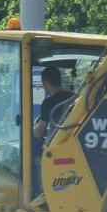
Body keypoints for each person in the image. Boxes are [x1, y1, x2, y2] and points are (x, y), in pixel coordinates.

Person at [31, 66, 74, 196]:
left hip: (55, 148)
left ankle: (40, 191)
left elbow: (39, 133)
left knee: (35, 149)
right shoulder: (75, 98)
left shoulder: (49, 103)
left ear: (46, 83)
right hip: (73, 146)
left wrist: (34, 129)